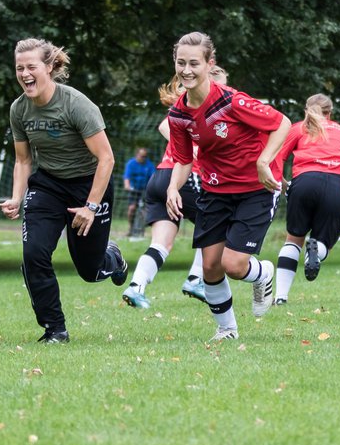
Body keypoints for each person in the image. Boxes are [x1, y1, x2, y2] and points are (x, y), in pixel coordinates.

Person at [0, 38, 128, 344]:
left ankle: (112, 257)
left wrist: (91, 206)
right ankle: (54, 329)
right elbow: (22, 159)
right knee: (33, 254)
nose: (25, 74)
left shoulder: (76, 104)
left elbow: (106, 158)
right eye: (20, 68)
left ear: (48, 67)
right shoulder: (19, 109)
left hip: (89, 186)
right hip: (49, 185)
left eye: (31, 66)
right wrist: (17, 197)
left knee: (89, 271)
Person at [165, 32, 290, 341]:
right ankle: (227, 330)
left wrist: (264, 162)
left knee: (233, 264)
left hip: (254, 189)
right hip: (214, 190)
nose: (187, 70)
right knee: (209, 267)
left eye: (194, 63)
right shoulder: (178, 114)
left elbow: (282, 123)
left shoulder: (231, 101)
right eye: (181, 63)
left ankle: (264, 273)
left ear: (210, 64)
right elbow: (182, 159)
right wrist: (172, 188)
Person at [121, 67, 230, 310]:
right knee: (218, 224)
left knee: (161, 243)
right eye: (221, 86)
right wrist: (192, 152)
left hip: (160, 177)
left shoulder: (192, 108)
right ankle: (195, 279)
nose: (224, 92)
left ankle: (136, 287)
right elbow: (164, 126)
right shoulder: (202, 109)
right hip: (182, 178)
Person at [272, 94, 340, 305]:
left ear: (306, 111)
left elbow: (276, 158)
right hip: (337, 187)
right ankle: (317, 249)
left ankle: (280, 297)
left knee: (293, 239)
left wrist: (282, 183)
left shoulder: (299, 128)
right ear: (330, 113)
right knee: (324, 244)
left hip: (304, 182)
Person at [122, 147, 154, 237]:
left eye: (145, 156)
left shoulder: (149, 165)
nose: (144, 158)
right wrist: (127, 185)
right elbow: (126, 177)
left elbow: (153, 177)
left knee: (146, 211)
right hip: (134, 190)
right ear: (137, 155)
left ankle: (142, 229)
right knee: (131, 209)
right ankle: (131, 228)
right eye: (142, 156)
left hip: (145, 190)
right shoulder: (131, 164)